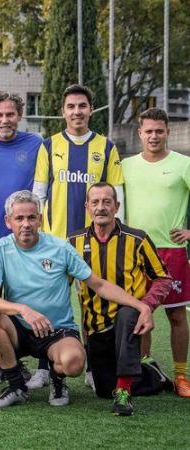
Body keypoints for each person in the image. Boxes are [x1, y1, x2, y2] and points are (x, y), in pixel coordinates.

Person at [0, 190, 153, 408]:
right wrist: (23, 309)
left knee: (74, 364)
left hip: (57, 331)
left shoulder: (60, 248)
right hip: (19, 329)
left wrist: (141, 306)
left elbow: (98, 284)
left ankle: (57, 378)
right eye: (19, 218)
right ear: (8, 221)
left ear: (40, 220)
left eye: (32, 217)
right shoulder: (1, 248)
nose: (26, 224)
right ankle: (16, 387)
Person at [33, 84, 124, 390]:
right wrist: (38, 235)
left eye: (82, 106)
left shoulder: (107, 148)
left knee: (93, 305)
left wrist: (116, 235)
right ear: (63, 111)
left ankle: (93, 367)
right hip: (56, 241)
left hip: (93, 243)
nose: (77, 112)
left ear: (90, 110)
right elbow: (38, 194)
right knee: (50, 304)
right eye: (71, 106)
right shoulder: (48, 146)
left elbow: (116, 195)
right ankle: (45, 366)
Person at [69, 182, 171, 415]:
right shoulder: (73, 242)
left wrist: (146, 306)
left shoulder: (137, 239)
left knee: (127, 313)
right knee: (104, 389)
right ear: (87, 207)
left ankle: (124, 392)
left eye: (107, 202)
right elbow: (60, 280)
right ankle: (152, 374)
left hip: (129, 317)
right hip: (96, 327)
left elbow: (163, 278)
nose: (101, 207)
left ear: (117, 206)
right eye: (95, 202)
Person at [122, 107, 190, 398]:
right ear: (140, 133)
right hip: (137, 252)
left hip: (173, 251)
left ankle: (181, 376)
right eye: (148, 131)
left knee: (177, 317)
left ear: (167, 132)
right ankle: (145, 372)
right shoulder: (126, 165)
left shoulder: (183, 164)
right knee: (142, 313)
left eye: (158, 131)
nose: (153, 136)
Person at [0, 92, 41, 385]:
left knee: (20, 301)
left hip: (23, 243)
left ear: (19, 116)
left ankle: (17, 360)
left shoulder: (36, 144)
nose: (5, 120)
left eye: (10, 114)